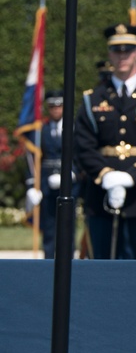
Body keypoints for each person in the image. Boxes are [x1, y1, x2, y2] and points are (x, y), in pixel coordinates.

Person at [74, 24, 136, 259]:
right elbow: (83, 145)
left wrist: (132, 176)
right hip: (101, 194)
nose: (122, 56)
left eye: (127, 50)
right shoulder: (93, 98)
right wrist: (106, 175)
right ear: (109, 54)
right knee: (103, 267)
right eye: (116, 50)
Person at [18, 90, 76, 258]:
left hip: (69, 183)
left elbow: (81, 155)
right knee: (49, 227)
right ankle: (49, 263)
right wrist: (31, 185)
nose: (56, 110)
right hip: (46, 184)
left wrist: (73, 174)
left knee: (68, 228)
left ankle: (67, 263)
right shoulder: (40, 130)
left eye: (59, 106)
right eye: (52, 106)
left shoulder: (74, 128)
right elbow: (32, 157)